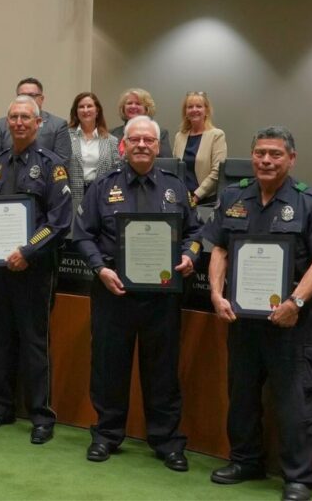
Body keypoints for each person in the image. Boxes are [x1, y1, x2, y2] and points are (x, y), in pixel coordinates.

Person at [204, 126, 312, 501]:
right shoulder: (234, 197)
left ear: (291, 159)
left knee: (294, 401)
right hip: (242, 321)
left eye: (275, 154)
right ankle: (245, 460)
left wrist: (295, 303)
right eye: (260, 153)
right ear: (252, 157)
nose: (266, 160)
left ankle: (299, 477)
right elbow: (219, 250)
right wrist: (217, 295)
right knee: (243, 394)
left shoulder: (310, 201)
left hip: (291, 324)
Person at [73, 115, 201, 471]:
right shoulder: (103, 186)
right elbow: (82, 234)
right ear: (124, 146)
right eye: (136, 140)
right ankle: (106, 435)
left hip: (162, 297)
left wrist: (190, 256)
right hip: (114, 292)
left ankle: (166, 441)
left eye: (149, 140)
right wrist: (100, 268)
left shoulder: (176, 187)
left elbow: (195, 233)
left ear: (158, 147)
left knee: (162, 370)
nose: (143, 145)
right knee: (109, 367)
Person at [0, 95, 72, 443]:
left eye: (26, 117)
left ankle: (41, 415)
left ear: (39, 123)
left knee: (33, 342)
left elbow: (60, 222)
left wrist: (28, 250)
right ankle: (1, 406)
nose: (19, 122)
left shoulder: (52, 165)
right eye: (13, 117)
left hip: (34, 269)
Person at [66, 91, 121, 211]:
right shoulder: (65, 136)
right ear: (76, 111)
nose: (85, 110)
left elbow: (116, 171)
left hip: (101, 195)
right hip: (73, 196)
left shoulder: (111, 140)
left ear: (97, 111)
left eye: (89, 106)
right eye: (81, 107)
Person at [0, 77, 71, 162]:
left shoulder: (58, 125)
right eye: (22, 96)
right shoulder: (0, 125)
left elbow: (62, 163)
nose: (27, 99)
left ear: (41, 99)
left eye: (32, 96)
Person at [173, 91, 226, 205]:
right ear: (185, 112)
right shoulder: (179, 136)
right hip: (181, 199)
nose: (194, 110)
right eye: (190, 107)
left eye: (199, 106)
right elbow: (174, 168)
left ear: (206, 110)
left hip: (205, 200)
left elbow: (217, 172)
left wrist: (196, 197)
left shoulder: (216, 135)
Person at [109, 88, 172, 157]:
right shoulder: (111, 134)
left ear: (146, 108)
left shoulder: (160, 133)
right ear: (123, 108)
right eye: (129, 103)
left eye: (138, 103)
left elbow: (166, 162)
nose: (133, 106)